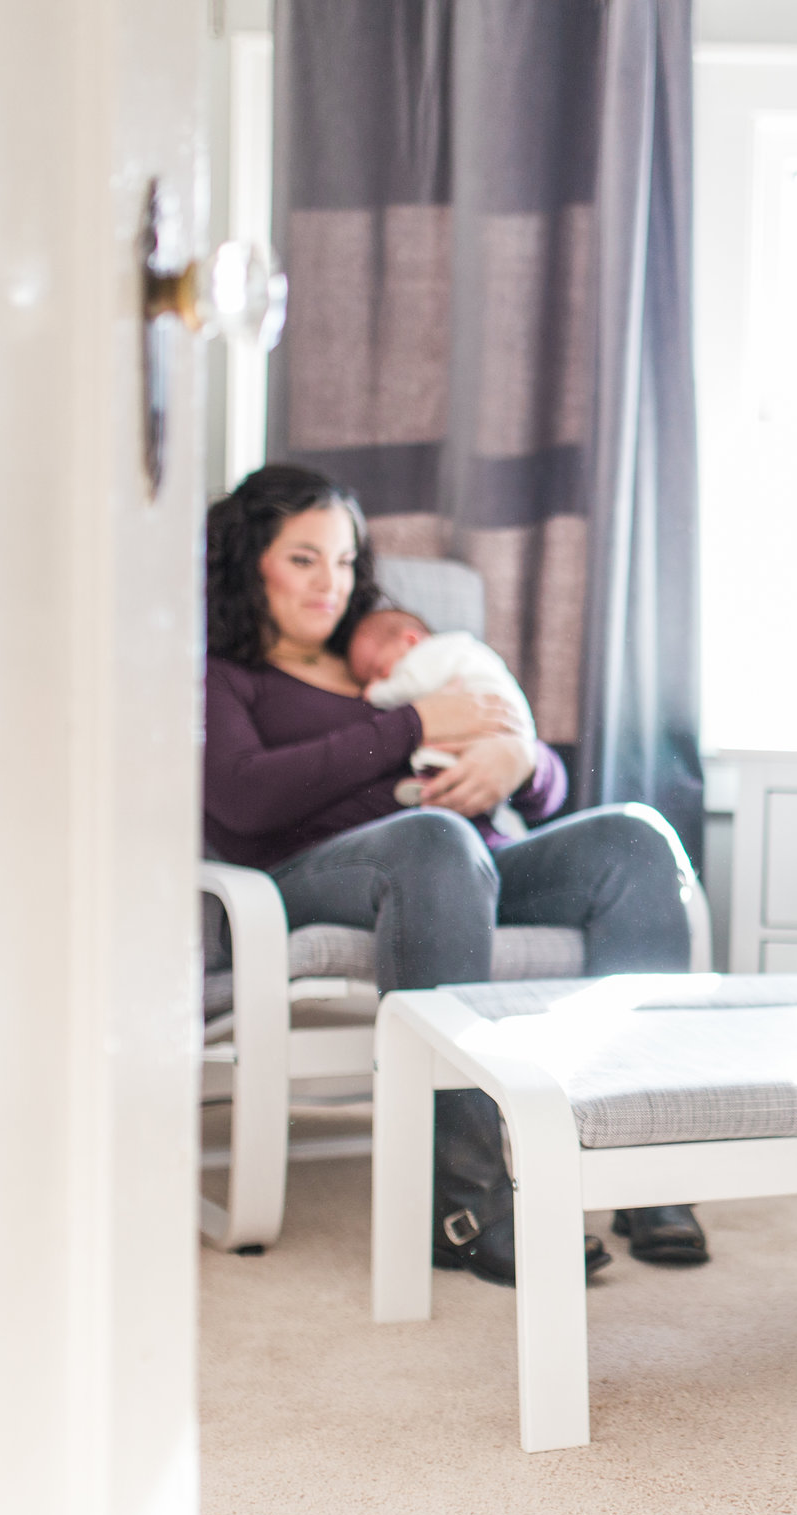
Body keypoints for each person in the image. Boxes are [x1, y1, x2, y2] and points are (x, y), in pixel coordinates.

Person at [203, 464, 712, 1276]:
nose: (331, 582)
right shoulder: (224, 673)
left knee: (635, 837)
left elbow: (546, 791)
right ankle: (466, 1200)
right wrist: (411, 725)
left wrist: (520, 757)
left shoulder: (398, 654)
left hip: (473, 861)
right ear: (246, 560)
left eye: (343, 560)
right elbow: (241, 798)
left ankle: (643, 1168)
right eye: (304, 558)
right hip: (314, 877)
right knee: (434, 837)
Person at [346, 605, 537, 830]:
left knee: (444, 756)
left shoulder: (431, 655)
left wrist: (376, 694)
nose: (375, 682)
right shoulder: (464, 649)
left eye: (379, 670)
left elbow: (413, 684)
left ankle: (431, 789)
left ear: (410, 640)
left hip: (494, 731)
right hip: (512, 732)